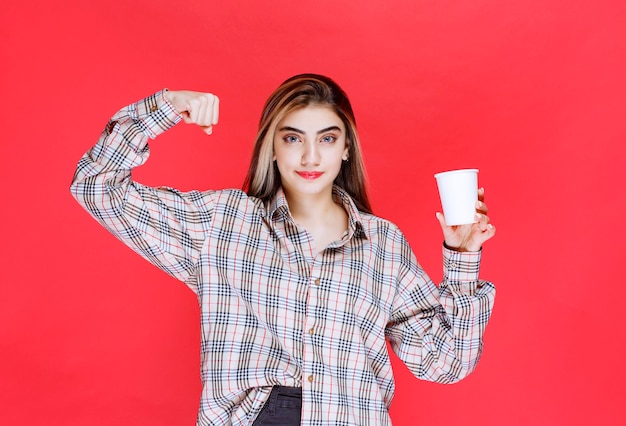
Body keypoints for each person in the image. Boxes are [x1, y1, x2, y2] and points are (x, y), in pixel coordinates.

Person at [70, 74, 496, 426]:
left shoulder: (382, 244)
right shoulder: (222, 223)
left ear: (347, 149)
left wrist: (461, 259)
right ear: (271, 147)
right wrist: (165, 107)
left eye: (327, 139)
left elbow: (444, 363)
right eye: (293, 138)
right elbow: (95, 186)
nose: (311, 156)